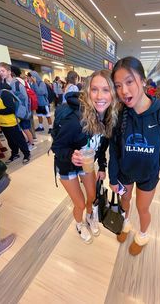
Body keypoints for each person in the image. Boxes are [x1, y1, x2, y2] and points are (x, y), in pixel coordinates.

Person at [109, 56, 160, 256]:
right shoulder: (119, 114)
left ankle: (142, 235)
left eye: (130, 82)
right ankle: (125, 224)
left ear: (143, 81)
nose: (124, 91)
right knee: (125, 202)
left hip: (148, 175)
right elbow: (114, 149)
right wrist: (113, 177)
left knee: (142, 208)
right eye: (118, 85)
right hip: (125, 172)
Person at [51, 70, 119, 244]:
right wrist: (70, 155)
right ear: (88, 91)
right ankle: (80, 224)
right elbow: (57, 147)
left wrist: (102, 166)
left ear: (113, 93)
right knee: (80, 203)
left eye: (105, 90)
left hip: (86, 164)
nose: (99, 96)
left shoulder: (108, 119)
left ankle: (90, 218)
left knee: (92, 196)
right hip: (67, 165)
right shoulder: (76, 120)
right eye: (94, 89)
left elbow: (102, 147)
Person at [0, 72, 31, 164]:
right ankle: (15, 153)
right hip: (2, 123)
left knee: (19, 139)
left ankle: (27, 154)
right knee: (10, 141)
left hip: (12, 122)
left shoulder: (3, 93)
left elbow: (11, 109)